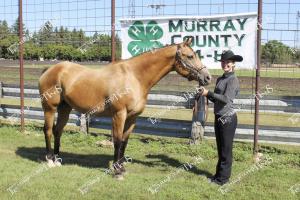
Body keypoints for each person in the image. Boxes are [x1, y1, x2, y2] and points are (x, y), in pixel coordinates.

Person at [199, 50, 242, 185]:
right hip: (218, 116)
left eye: (228, 62)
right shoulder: (221, 79)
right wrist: (206, 94)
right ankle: (218, 175)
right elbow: (217, 100)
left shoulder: (233, 80)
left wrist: (209, 92)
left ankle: (223, 180)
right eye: (223, 62)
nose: (225, 64)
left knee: (226, 150)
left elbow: (226, 100)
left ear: (233, 64)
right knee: (221, 148)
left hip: (228, 118)